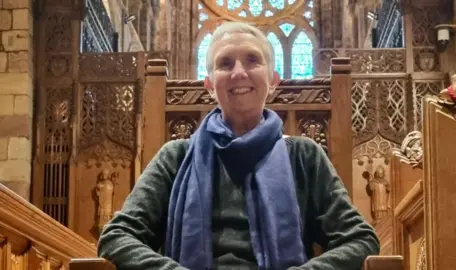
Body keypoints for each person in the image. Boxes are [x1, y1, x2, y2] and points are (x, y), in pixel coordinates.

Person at [97, 22, 380, 270]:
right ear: (209, 85)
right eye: (225, 63)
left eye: (252, 60)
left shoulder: (304, 157)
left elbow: (360, 239)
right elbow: (117, 237)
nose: (239, 73)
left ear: (273, 80)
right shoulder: (176, 157)